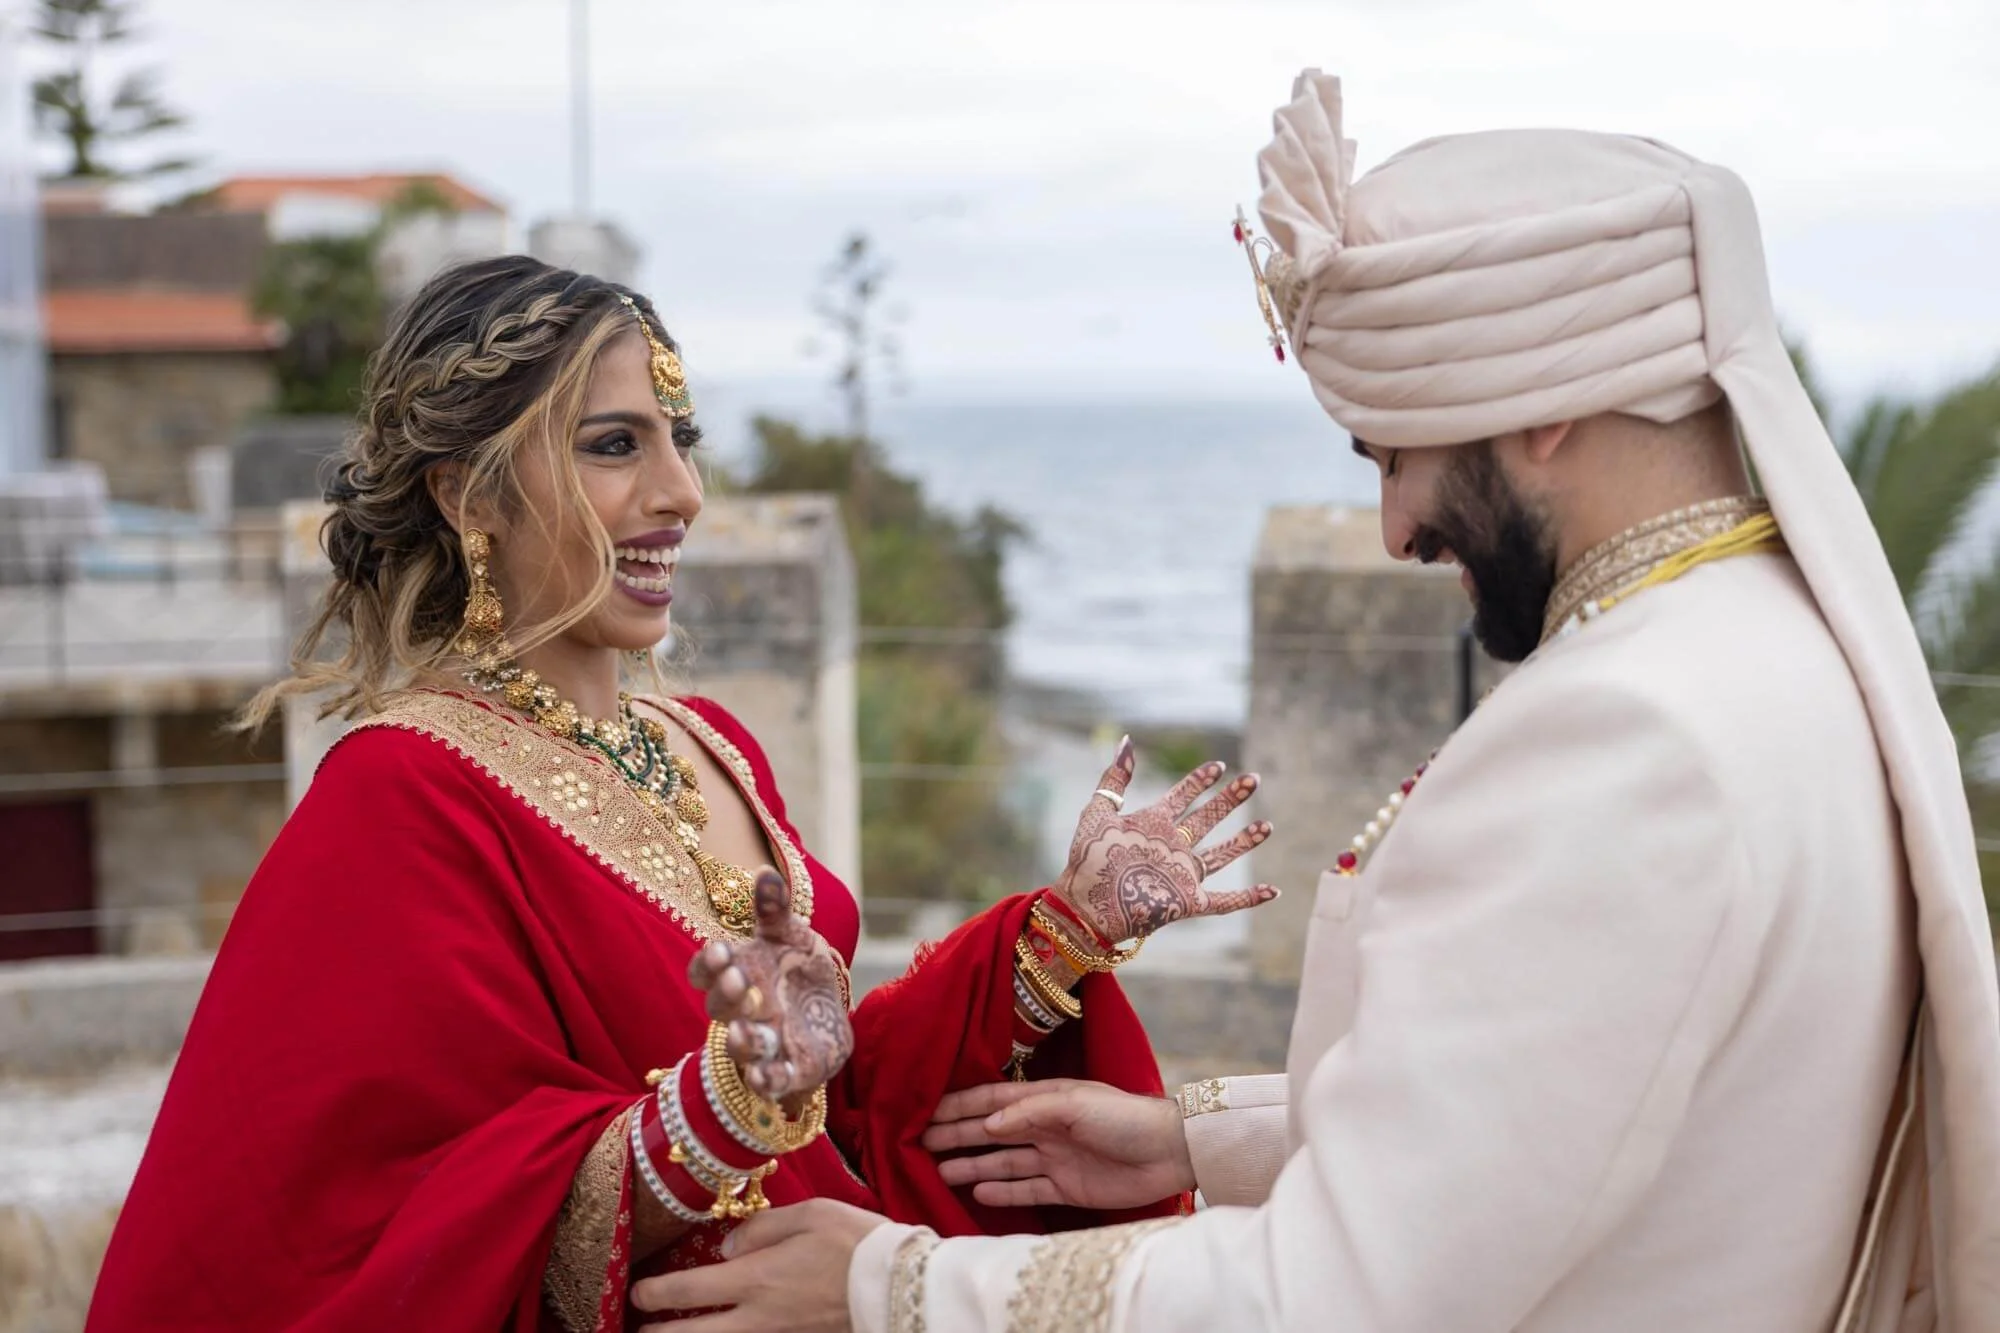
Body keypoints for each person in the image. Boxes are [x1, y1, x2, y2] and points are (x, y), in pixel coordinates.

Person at [633, 71, 2000, 1333]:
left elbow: (1339, 1292)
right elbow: (1572, 1119)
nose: (1398, 525)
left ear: (1541, 407)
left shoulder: (1628, 736)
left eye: (1394, 450)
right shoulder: (1772, 655)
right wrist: (1195, 1144)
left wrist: (891, 1283)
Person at [82, 255, 1280, 1333]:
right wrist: (719, 1105)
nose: (682, 493)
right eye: (614, 447)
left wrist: (1052, 942)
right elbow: (432, 1235)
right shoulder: (402, 794)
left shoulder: (707, 741)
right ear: (466, 495)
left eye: (679, 438)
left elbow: (838, 1103)